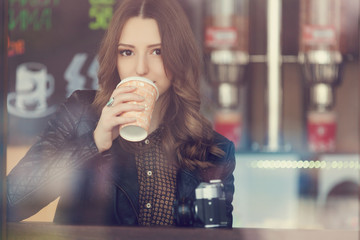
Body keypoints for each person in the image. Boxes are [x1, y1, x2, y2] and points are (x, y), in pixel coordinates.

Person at [7, 0, 235, 227]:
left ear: (179, 56)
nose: (141, 68)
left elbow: (217, 233)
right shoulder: (82, 114)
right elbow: (10, 204)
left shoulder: (213, 150)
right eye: (127, 52)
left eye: (157, 51)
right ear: (114, 59)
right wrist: (94, 141)